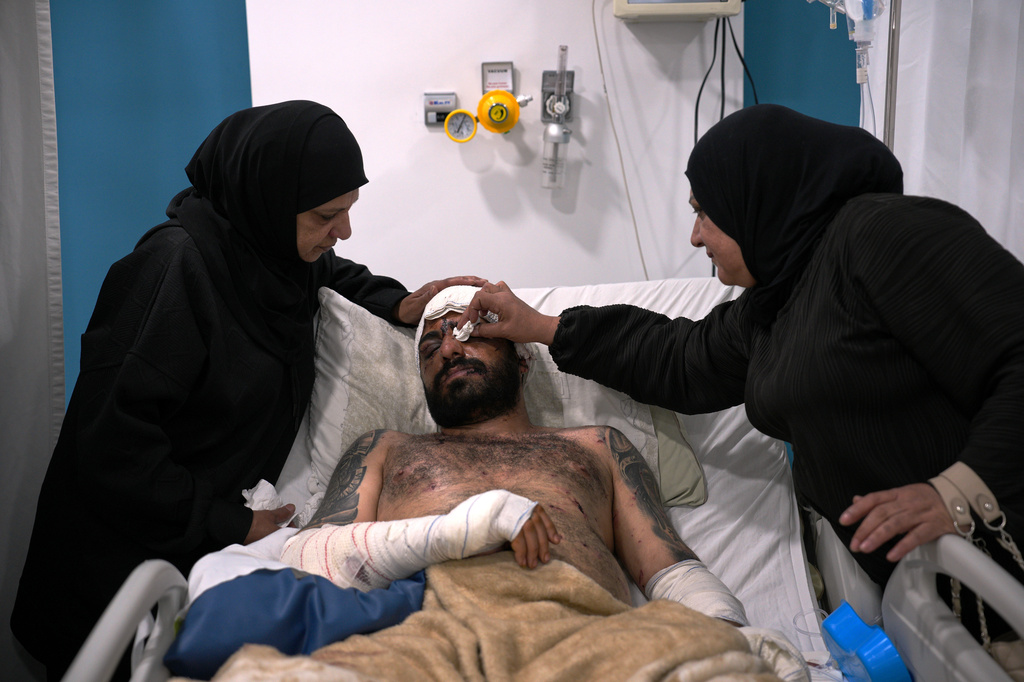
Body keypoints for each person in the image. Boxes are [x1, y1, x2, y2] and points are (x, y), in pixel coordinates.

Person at [456, 105, 1024, 634]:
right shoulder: (778, 299)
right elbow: (680, 358)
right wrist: (541, 326)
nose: (695, 235)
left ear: (759, 198)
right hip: (942, 595)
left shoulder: (884, 235)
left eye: (705, 212)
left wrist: (956, 494)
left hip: (1000, 556)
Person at [11, 100, 482, 681]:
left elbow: (329, 272)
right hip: (113, 557)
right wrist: (227, 524)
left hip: (194, 544)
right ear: (268, 200)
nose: (344, 231)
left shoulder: (273, 252)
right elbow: (111, 446)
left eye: (350, 210)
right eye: (327, 215)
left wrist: (396, 303)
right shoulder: (172, 272)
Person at [271, 286, 807, 681]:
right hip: (434, 631)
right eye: (429, 350)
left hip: (586, 632)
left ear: (523, 362)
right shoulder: (386, 449)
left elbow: (670, 567)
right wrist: (457, 532)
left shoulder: (596, 445)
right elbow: (313, 561)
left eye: (466, 335)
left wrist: (726, 631)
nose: (448, 351)